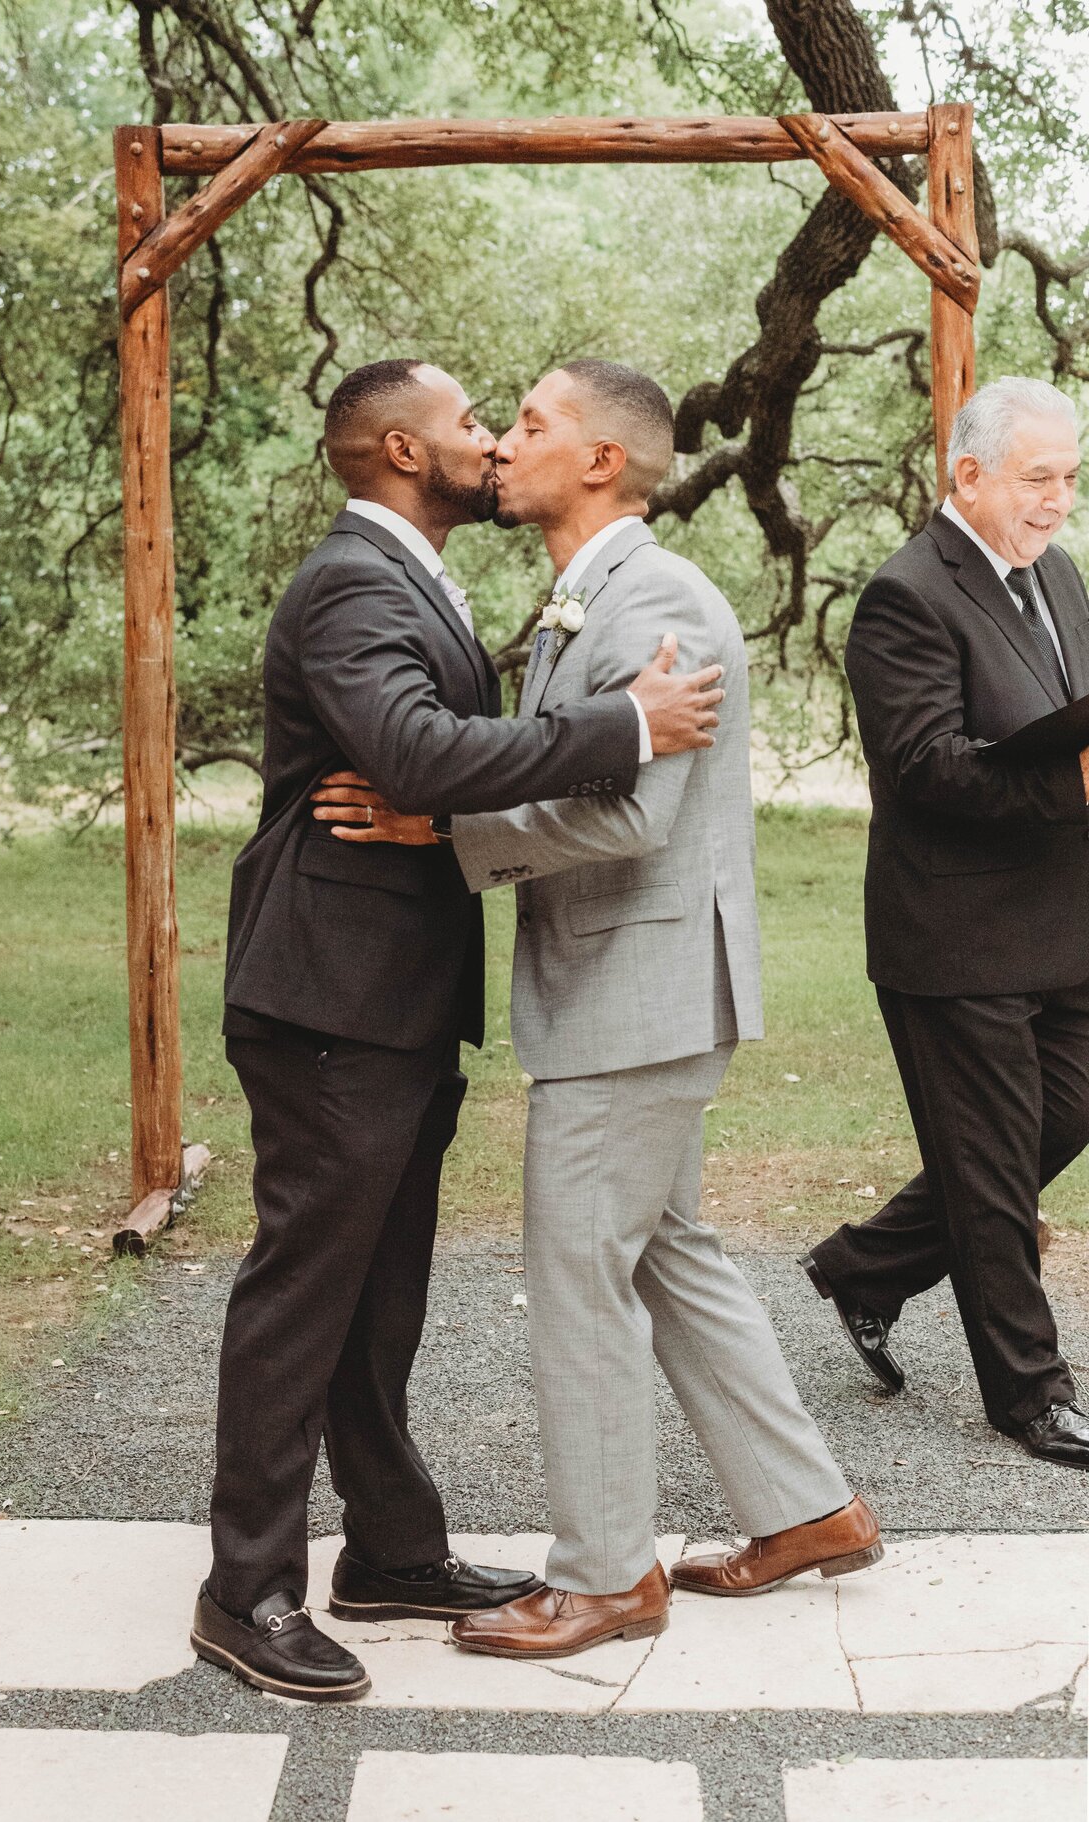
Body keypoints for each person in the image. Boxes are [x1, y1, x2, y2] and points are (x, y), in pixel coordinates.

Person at [316, 361, 879, 1664]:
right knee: (668, 1251)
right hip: (646, 988)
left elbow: (632, 812)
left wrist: (443, 824)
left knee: (577, 1275)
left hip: (638, 990)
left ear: (603, 463)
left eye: (528, 426)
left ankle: (604, 1576)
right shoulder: (593, 599)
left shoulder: (655, 600)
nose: (502, 448)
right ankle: (810, 1508)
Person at [192, 359, 728, 1704]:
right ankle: (244, 1588)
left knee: (382, 1296)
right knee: (302, 1296)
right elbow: (420, 755)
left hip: (394, 999)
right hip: (328, 996)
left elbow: (433, 763)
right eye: (471, 426)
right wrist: (626, 722)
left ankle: (390, 1550)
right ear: (397, 449)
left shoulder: (415, 578)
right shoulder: (350, 586)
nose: (491, 444)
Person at [801, 375, 1089, 1471]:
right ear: (969, 475)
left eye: (1069, 477)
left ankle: (868, 1267)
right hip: (955, 938)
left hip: (1065, 925)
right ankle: (1029, 1393)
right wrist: (1078, 781)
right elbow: (925, 771)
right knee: (990, 1164)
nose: (1059, 500)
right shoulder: (905, 596)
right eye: (1038, 478)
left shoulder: (1056, 572)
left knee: (1028, 1141)